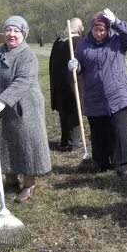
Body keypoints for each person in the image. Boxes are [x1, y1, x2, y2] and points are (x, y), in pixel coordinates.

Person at [0, 15, 52, 202]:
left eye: (16, 31)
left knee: (26, 144)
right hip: (1, 108)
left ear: (23, 34)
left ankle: (29, 185)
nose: (12, 34)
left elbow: (23, 81)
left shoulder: (27, 55)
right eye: (8, 30)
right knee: (5, 143)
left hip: (24, 108)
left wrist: (2, 101)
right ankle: (10, 180)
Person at [68, 9, 127, 176]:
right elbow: (79, 65)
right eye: (95, 30)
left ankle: (121, 167)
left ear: (107, 29)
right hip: (94, 96)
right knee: (99, 134)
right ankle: (102, 165)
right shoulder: (83, 45)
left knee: (119, 133)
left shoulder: (117, 41)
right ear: (91, 29)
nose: (99, 34)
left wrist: (116, 21)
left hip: (118, 95)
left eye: (102, 30)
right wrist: (75, 66)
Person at [49, 17, 85, 152]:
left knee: (65, 111)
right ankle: (73, 142)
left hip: (59, 83)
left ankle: (65, 140)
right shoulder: (76, 42)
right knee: (74, 111)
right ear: (79, 28)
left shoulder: (58, 42)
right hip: (71, 83)